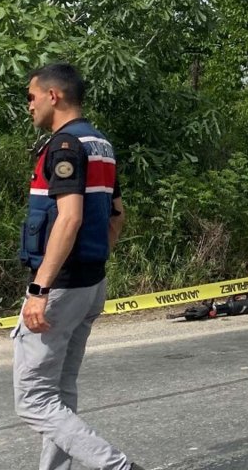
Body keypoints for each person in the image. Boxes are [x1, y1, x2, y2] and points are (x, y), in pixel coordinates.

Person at [14, 63, 144, 470]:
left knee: (34, 400)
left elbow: (68, 218)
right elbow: (117, 215)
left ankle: (116, 466)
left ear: (54, 96)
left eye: (31, 96)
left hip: (62, 286)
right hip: (90, 282)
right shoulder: (100, 143)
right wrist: (95, 259)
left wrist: (40, 289)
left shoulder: (65, 145)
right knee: (60, 390)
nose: (28, 106)